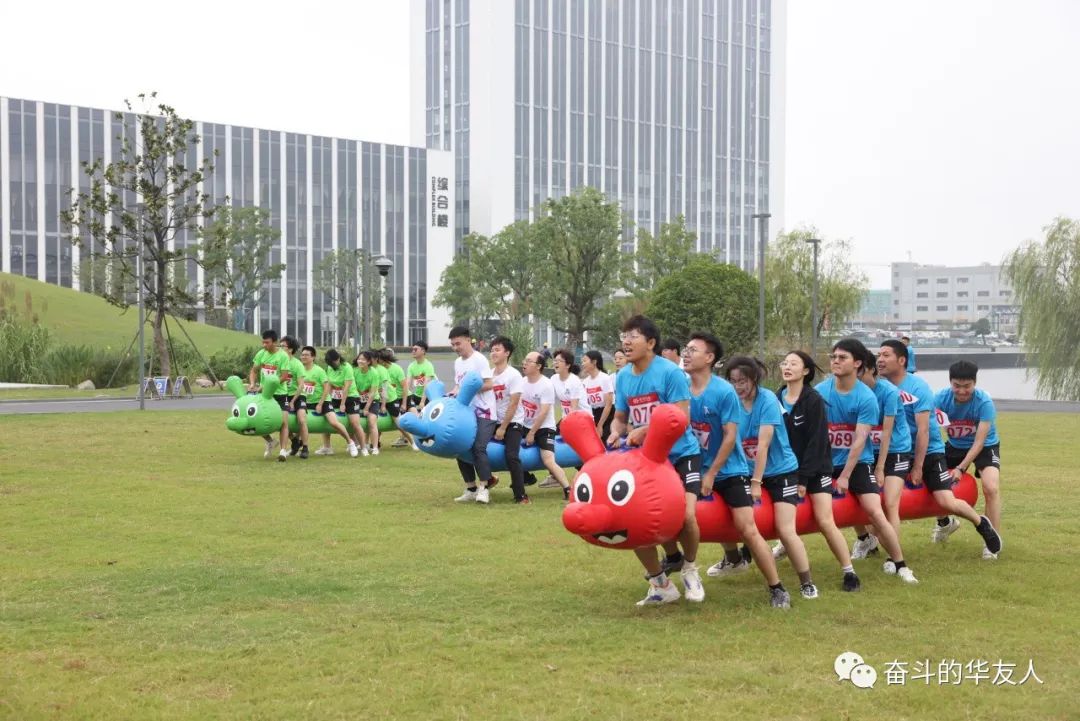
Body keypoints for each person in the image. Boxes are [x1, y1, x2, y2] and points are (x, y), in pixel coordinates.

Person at [606, 316, 705, 607]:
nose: (626, 342)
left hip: (682, 454)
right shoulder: (623, 376)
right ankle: (661, 584)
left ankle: (690, 569)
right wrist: (615, 431)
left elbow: (681, 417)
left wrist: (645, 430)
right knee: (632, 517)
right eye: (624, 335)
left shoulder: (670, 373)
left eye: (633, 336)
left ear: (650, 342)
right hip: (648, 458)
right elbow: (621, 417)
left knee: (686, 517)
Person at [687, 337, 790, 609]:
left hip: (731, 471)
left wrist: (712, 474)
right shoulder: (682, 388)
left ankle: (777, 588)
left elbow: (730, 437)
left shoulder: (724, 392)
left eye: (692, 350)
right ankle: (678, 568)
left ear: (709, 357)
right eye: (686, 349)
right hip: (696, 468)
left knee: (747, 529)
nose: (686, 354)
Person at [818, 339, 917, 584]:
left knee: (875, 512)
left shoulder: (866, 397)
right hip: (826, 463)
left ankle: (900, 564)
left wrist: (845, 476)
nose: (836, 361)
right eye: (833, 357)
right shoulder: (820, 392)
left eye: (842, 357)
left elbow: (860, 439)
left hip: (859, 463)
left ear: (858, 363)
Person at [725, 355, 818, 601]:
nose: (738, 386)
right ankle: (733, 559)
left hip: (780, 472)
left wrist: (756, 483)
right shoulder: (731, 401)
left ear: (754, 379)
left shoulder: (767, 399)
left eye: (743, 381)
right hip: (746, 470)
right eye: (733, 381)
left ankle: (806, 582)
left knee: (785, 530)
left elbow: (763, 444)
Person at [774, 350, 861, 592]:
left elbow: (817, 442)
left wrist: (803, 479)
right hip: (786, 469)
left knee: (825, 520)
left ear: (805, 371)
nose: (787, 367)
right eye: (785, 363)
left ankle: (849, 572)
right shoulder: (776, 397)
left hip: (817, 469)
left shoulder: (813, 400)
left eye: (794, 364)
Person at [934, 360, 1003, 559]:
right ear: (950, 383)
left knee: (991, 488)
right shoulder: (940, 399)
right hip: (955, 445)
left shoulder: (984, 402)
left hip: (985, 446)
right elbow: (929, 428)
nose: (962, 391)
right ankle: (945, 523)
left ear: (975, 383)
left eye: (967, 386)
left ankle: (991, 543)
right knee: (934, 477)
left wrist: (961, 468)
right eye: (957, 386)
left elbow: (979, 442)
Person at [849, 358, 912, 559]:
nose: (856, 378)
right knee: (856, 499)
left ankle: (894, 558)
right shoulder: (853, 391)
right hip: (870, 451)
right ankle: (866, 540)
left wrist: (880, 468)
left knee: (890, 503)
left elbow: (887, 432)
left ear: (870, 370)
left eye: (860, 373)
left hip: (895, 450)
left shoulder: (889, 392)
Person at [449, 326, 499, 504]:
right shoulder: (457, 362)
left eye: (458, 344)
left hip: (485, 413)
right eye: (453, 345)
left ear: (468, 340)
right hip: (466, 413)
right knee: (460, 446)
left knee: (478, 448)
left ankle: (484, 488)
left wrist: (468, 390)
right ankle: (471, 488)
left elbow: (489, 384)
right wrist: (453, 393)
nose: (456, 348)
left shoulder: (479, 359)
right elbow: (458, 385)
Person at [520, 350, 572, 500]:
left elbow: (543, 413)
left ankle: (568, 489)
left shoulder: (546, 385)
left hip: (544, 427)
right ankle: (526, 477)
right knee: (511, 450)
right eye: (525, 360)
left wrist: (532, 433)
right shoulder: (522, 382)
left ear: (538, 366)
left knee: (548, 459)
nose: (524, 363)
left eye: (528, 361)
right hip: (525, 425)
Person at [490, 336, 529, 504]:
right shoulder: (489, 375)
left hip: (513, 422)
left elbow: (513, 404)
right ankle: (487, 480)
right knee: (476, 447)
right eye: (492, 350)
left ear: (507, 353)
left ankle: (521, 495)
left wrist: (503, 428)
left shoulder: (513, 375)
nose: (493, 353)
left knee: (511, 455)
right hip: (493, 421)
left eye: (497, 350)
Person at [298, 346, 353, 453]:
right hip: (307, 401)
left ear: (313, 357)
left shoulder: (319, 371)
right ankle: (298, 447)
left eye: (306, 355)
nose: (303, 357)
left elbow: (327, 387)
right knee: (298, 422)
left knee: (333, 422)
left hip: (323, 401)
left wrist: (320, 404)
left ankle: (350, 443)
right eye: (302, 355)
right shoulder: (300, 369)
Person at [247, 329, 291, 461]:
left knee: (283, 422)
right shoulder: (261, 354)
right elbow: (254, 371)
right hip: (264, 394)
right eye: (263, 342)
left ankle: (283, 451)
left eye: (267, 342)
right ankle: (270, 441)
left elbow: (284, 376)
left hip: (280, 394)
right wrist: (252, 383)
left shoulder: (283, 356)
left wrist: (268, 386)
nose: (264, 345)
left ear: (275, 342)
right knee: (255, 419)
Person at [323, 349, 363, 458]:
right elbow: (329, 384)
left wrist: (342, 404)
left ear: (338, 359)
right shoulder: (330, 368)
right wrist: (327, 398)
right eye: (330, 363)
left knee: (354, 423)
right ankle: (327, 447)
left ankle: (361, 446)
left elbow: (346, 387)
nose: (332, 365)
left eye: (333, 362)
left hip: (350, 397)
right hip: (335, 396)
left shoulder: (347, 367)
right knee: (325, 416)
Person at [279, 336, 309, 459]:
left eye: (283, 346)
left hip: (298, 395)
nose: (280, 348)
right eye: (280, 346)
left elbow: (301, 385)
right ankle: (295, 440)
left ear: (290, 349)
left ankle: (305, 447)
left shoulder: (297, 364)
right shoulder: (278, 361)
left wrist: (293, 401)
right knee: (282, 421)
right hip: (283, 394)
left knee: (301, 419)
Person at [380, 348, 412, 448]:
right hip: (388, 397)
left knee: (412, 415)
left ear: (384, 360)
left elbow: (405, 386)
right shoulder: (379, 369)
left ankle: (413, 440)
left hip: (402, 396)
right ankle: (376, 441)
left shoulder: (397, 369)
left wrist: (404, 403)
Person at [353, 351, 383, 457]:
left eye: (363, 359)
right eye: (359, 359)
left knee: (371, 422)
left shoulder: (374, 373)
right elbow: (353, 387)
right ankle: (357, 444)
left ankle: (374, 447)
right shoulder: (355, 371)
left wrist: (366, 408)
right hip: (358, 398)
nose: (360, 361)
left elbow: (372, 393)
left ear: (369, 362)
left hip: (372, 400)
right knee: (353, 420)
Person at [581, 350, 615, 441]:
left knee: (603, 439)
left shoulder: (605, 378)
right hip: (593, 414)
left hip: (607, 415)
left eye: (585, 361)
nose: (582, 364)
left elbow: (608, 405)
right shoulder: (585, 382)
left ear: (594, 362)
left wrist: (600, 425)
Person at [405, 340, 437, 418]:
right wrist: (404, 400)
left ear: (423, 351)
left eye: (415, 349)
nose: (413, 351)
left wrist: (422, 402)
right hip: (417, 395)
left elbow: (427, 386)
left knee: (425, 416)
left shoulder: (428, 366)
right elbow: (407, 384)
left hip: (430, 396)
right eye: (412, 349)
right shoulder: (411, 366)